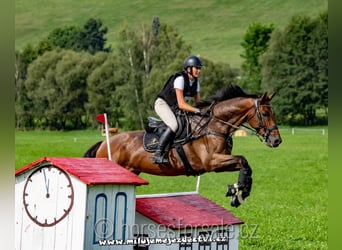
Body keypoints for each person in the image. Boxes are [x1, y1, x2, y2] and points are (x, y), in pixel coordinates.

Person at [152, 55, 209, 164]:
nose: (199, 71)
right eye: (196, 68)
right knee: (174, 125)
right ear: (189, 69)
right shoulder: (180, 79)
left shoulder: (196, 83)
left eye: (199, 68)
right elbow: (182, 104)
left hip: (175, 107)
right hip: (162, 104)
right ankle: (158, 154)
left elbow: (198, 103)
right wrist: (198, 111)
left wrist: (207, 110)